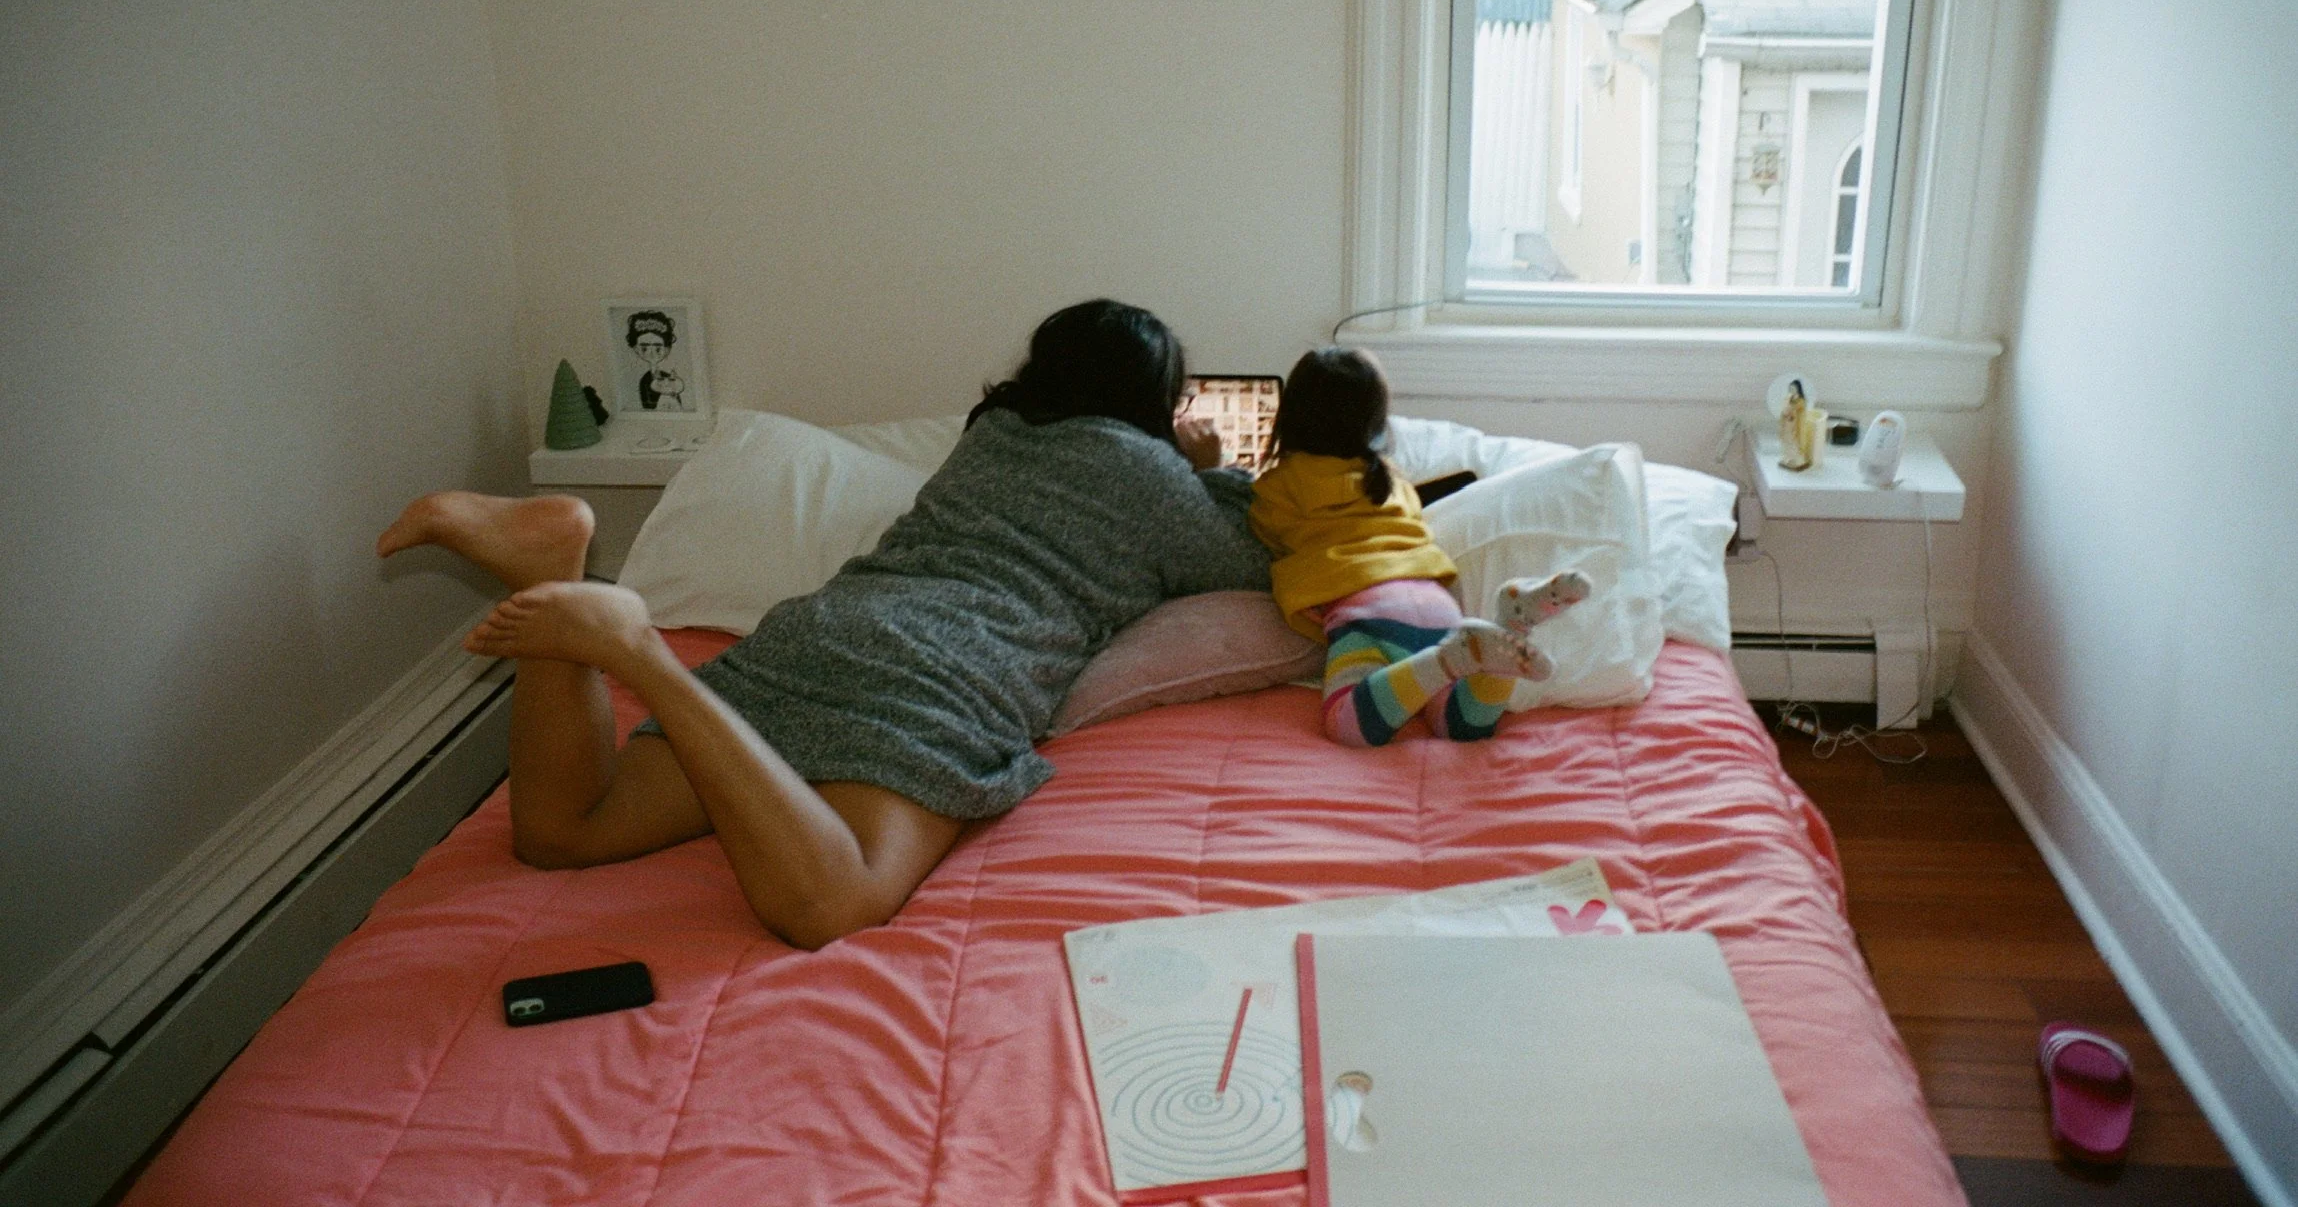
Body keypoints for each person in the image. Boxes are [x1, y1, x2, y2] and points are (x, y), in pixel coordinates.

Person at [377, 301, 1268, 949]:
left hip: (821, 633)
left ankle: (550, 564)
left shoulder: (991, 435)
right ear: (1155, 400)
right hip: (942, 678)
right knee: (835, 904)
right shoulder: (1151, 474)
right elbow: (1252, 564)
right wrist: (1207, 467)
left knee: (564, 832)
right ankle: (642, 656)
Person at [1250, 347, 1589, 748]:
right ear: (1376, 421)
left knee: (1348, 725)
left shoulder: (1276, 487)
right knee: (1459, 726)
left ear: (1291, 415)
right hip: (1436, 605)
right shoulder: (1391, 479)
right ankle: (1510, 627)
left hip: (1366, 611)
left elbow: (1265, 537)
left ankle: (1447, 661)